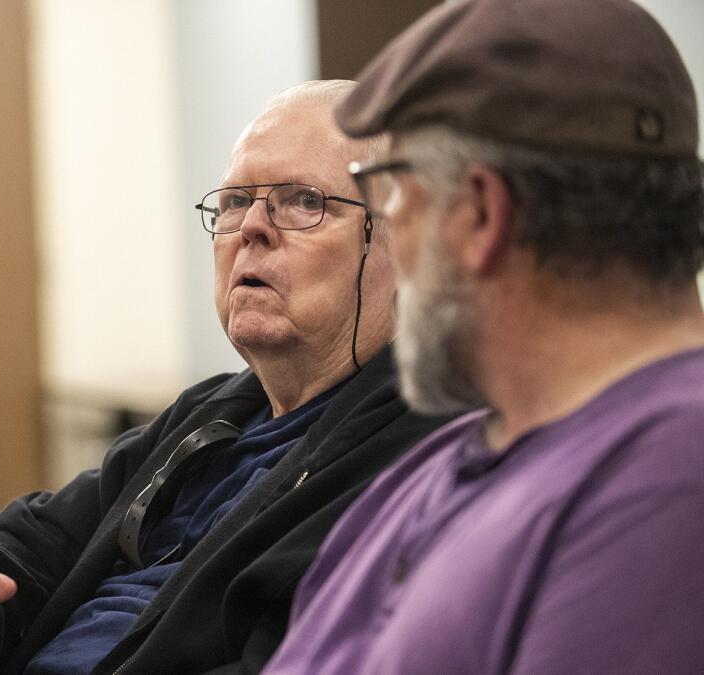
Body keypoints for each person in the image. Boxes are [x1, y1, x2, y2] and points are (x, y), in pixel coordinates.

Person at [0, 80, 449, 674]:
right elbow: (45, 543)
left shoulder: (424, 452)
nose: (251, 229)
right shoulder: (218, 414)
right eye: (233, 203)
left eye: (303, 202)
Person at [263, 1, 704, 673]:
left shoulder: (672, 479)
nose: (393, 235)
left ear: (480, 214)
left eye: (394, 192)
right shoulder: (441, 460)